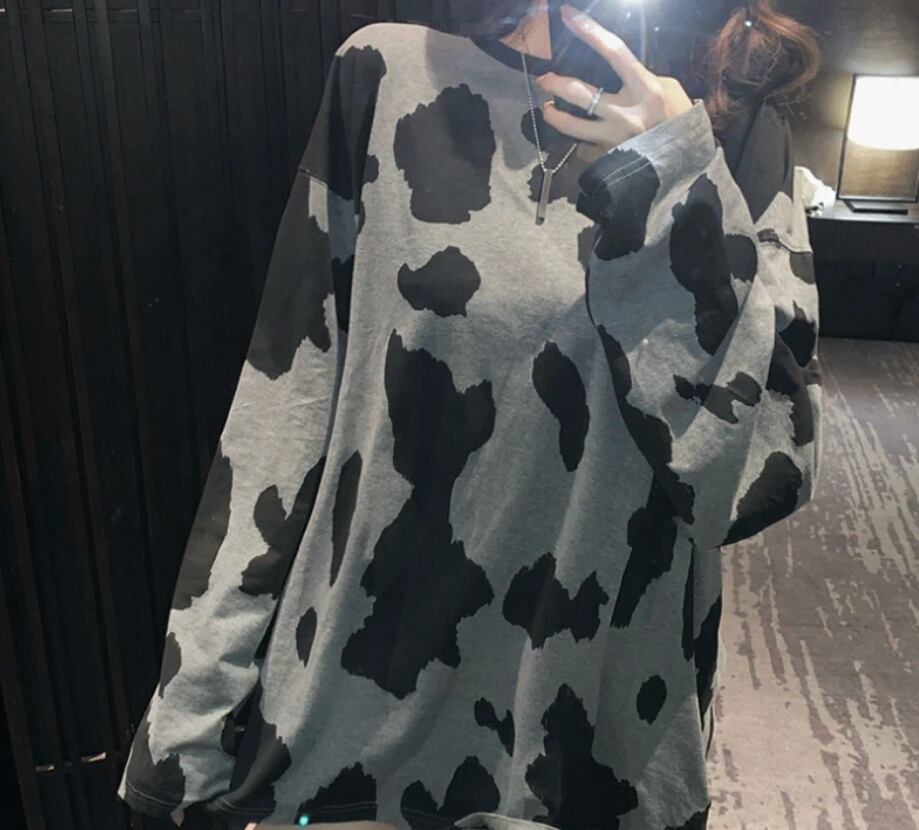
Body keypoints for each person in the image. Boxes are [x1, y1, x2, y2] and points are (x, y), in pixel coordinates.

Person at [116, 2, 823, 829]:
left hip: (589, 749)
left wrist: (670, 175)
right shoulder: (385, 75)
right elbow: (286, 405)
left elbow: (758, 472)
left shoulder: (735, 132)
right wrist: (194, 709)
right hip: (354, 725)